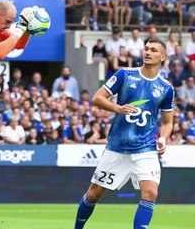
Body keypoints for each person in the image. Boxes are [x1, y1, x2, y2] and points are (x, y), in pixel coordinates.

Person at [74, 38, 174, 229]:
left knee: (150, 192)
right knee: (94, 194)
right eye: (146, 48)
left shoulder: (166, 88)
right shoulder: (125, 75)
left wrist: (162, 137)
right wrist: (117, 108)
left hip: (145, 149)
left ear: (162, 57)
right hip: (117, 147)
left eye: (153, 50)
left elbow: (168, 122)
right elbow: (97, 98)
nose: (147, 52)